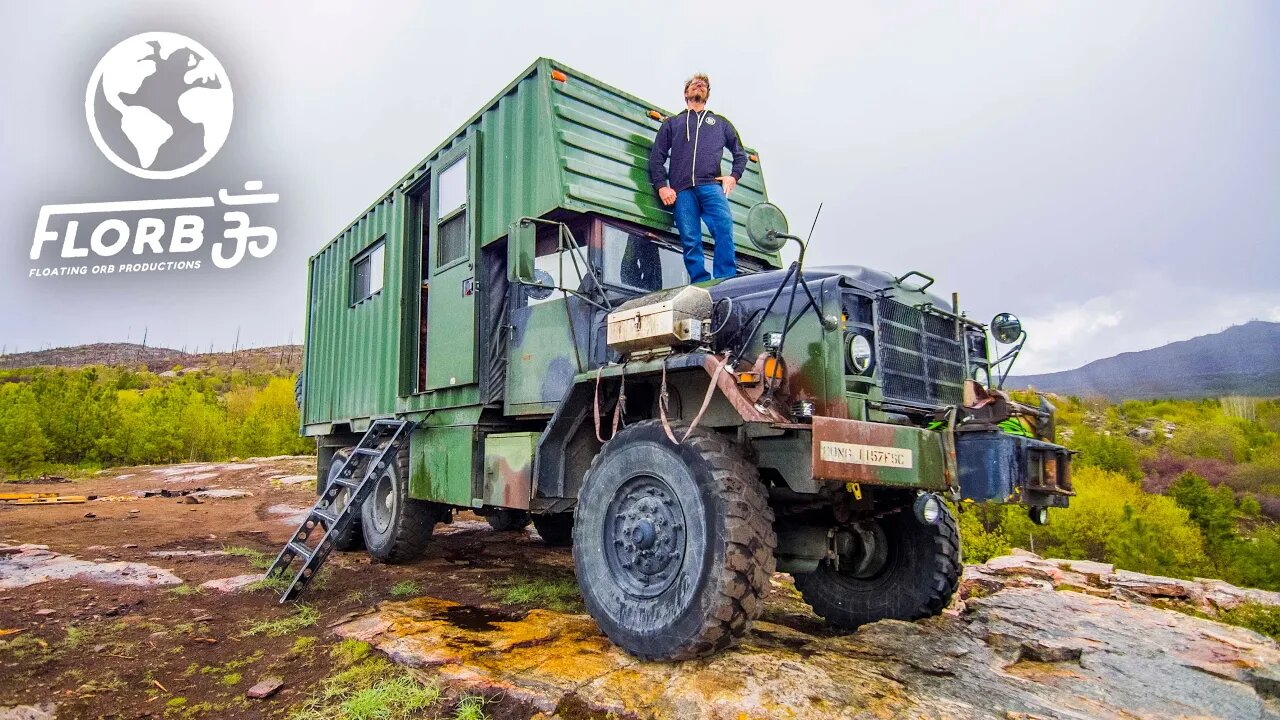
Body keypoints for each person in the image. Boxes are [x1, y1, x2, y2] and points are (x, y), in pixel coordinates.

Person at [647, 73, 747, 283]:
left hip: (711, 186)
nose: (699, 86)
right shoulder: (673, 123)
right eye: (694, 84)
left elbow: (740, 154)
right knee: (690, 239)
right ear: (686, 93)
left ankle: (725, 279)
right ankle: (700, 282)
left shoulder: (720, 123)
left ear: (707, 95)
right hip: (682, 191)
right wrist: (662, 187)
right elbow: (657, 156)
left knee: (723, 228)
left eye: (704, 86)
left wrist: (733, 176)